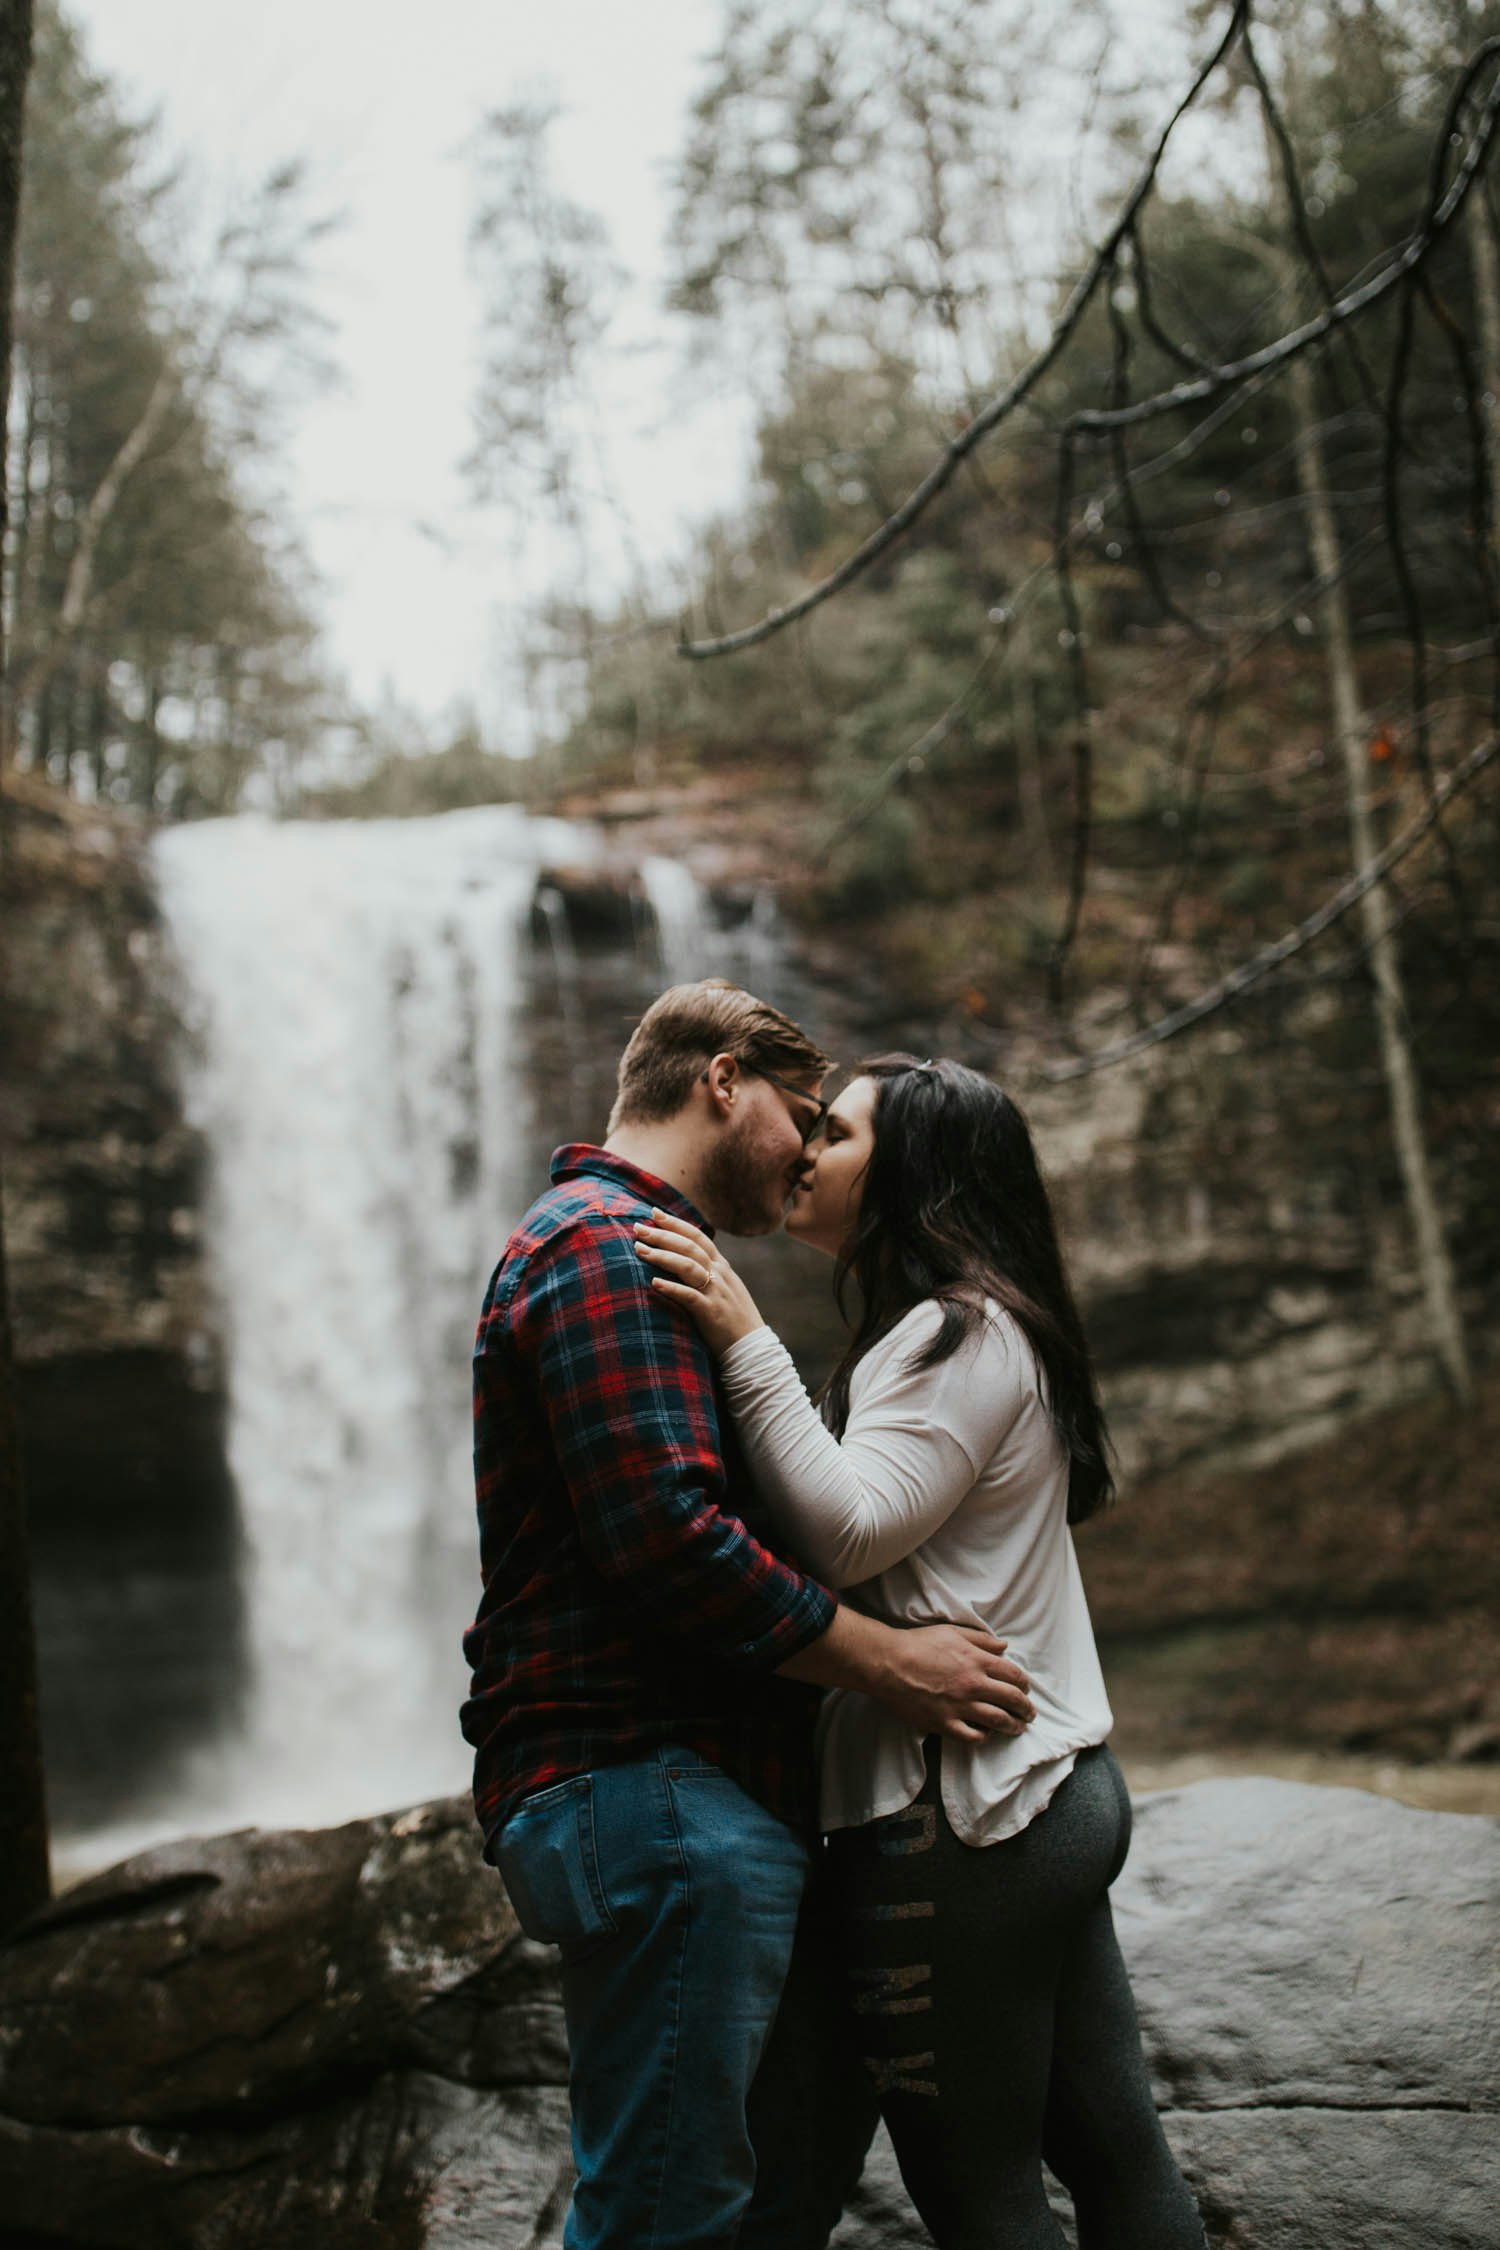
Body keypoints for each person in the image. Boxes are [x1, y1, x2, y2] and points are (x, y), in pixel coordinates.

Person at [460, 988, 1037, 2250]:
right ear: (725, 1083)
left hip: (676, 1797)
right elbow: (668, 1541)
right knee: (669, 2213)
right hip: (656, 1784)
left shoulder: (626, 1246)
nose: (803, 1160)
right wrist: (885, 1662)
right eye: (802, 1118)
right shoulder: (606, 1245)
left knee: (705, 2199)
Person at [635, 1054, 1209, 2250]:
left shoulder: (953, 1333)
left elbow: (846, 1532)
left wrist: (741, 1334)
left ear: (914, 1177)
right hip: (1044, 1795)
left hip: (961, 1820)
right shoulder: (981, 1327)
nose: (801, 1151)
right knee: (1113, 2149)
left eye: (834, 1136)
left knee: (980, 2190)